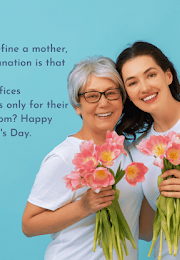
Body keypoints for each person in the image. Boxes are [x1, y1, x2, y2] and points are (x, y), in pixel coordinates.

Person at [22, 56, 145, 260]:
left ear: (122, 100)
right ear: (77, 106)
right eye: (92, 96)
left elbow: (145, 229)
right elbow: (28, 225)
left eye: (111, 93)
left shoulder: (130, 155)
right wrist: (83, 206)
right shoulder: (64, 156)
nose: (103, 103)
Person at [115, 41, 180, 259]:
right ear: (126, 93)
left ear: (168, 76)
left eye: (151, 75)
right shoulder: (136, 151)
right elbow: (146, 230)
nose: (144, 88)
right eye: (132, 82)